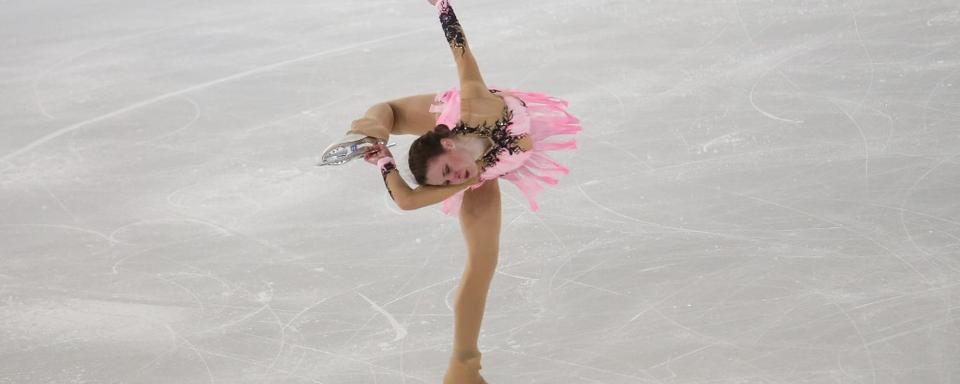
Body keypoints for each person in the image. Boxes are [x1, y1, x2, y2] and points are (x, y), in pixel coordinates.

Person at [322, 0, 580, 382]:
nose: (454, 181)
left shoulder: (479, 107)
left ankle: (369, 129)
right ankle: (464, 368)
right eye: (446, 183)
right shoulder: (464, 177)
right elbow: (408, 200)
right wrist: (383, 163)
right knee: (482, 263)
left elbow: (461, 50)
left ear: (447, 149)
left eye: (447, 173)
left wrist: (442, 4)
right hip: (486, 167)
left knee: (388, 111)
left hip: (454, 119)